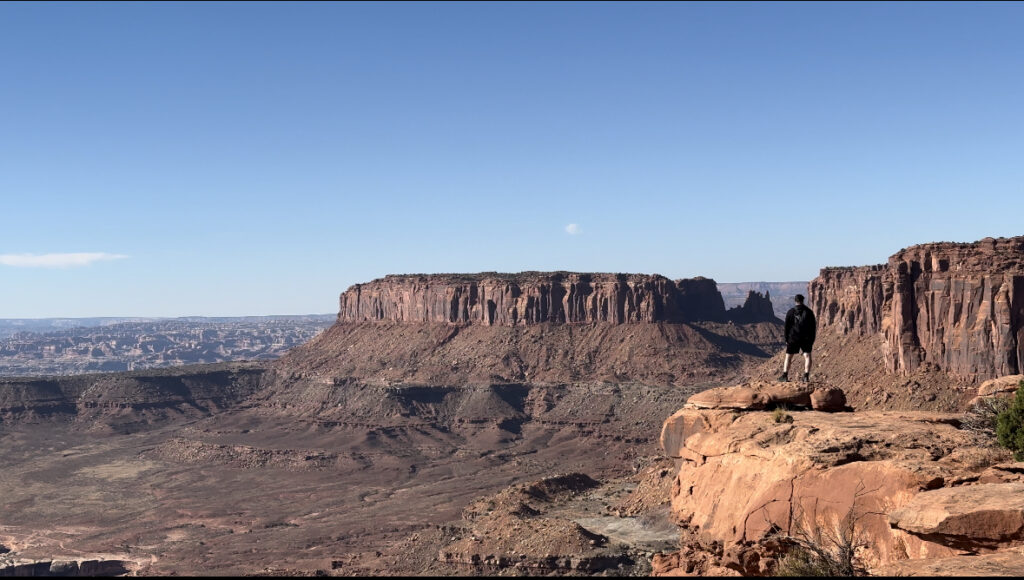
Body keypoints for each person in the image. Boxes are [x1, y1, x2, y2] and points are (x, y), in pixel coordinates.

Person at [779, 294, 816, 382]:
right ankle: (806, 376)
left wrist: (786, 339)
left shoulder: (790, 312)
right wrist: (812, 339)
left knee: (788, 357)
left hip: (793, 337)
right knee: (807, 356)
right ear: (803, 300)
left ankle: (785, 376)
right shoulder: (809, 312)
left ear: (795, 301)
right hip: (806, 338)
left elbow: (786, 327)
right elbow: (813, 327)